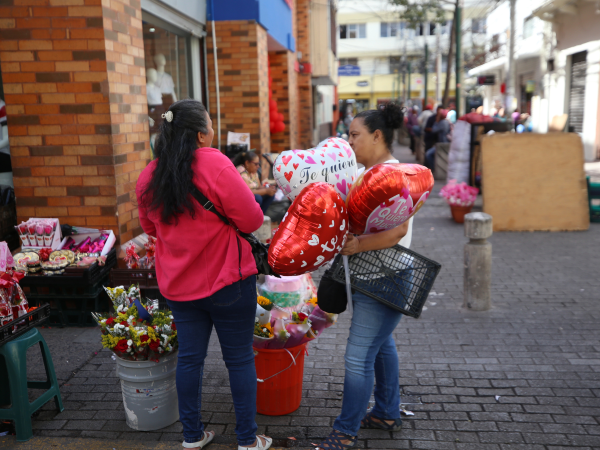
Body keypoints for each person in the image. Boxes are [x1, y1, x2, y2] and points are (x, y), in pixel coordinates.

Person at [136, 99, 273, 450]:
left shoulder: (149, 175)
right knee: (239, 358)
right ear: (201, 134)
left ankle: (192, 436)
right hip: (228, 281)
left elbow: (150, 228)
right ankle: (246, 440)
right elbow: (253, 221)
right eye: (211, 124)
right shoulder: (215, 162)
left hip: (179, 286)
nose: (213, 130)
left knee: (190, 360)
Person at [315, 102, 412, 450]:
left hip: (386, 276)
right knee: (381, 344)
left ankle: (344, 433)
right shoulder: (365, 172)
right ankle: (386, 412)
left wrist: (358, 245)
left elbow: (398, 230)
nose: (349, 141)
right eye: (348, 134)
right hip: (373, 277)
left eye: (355, 135)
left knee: (358, 356)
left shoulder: (392, 174)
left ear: (377, 135)